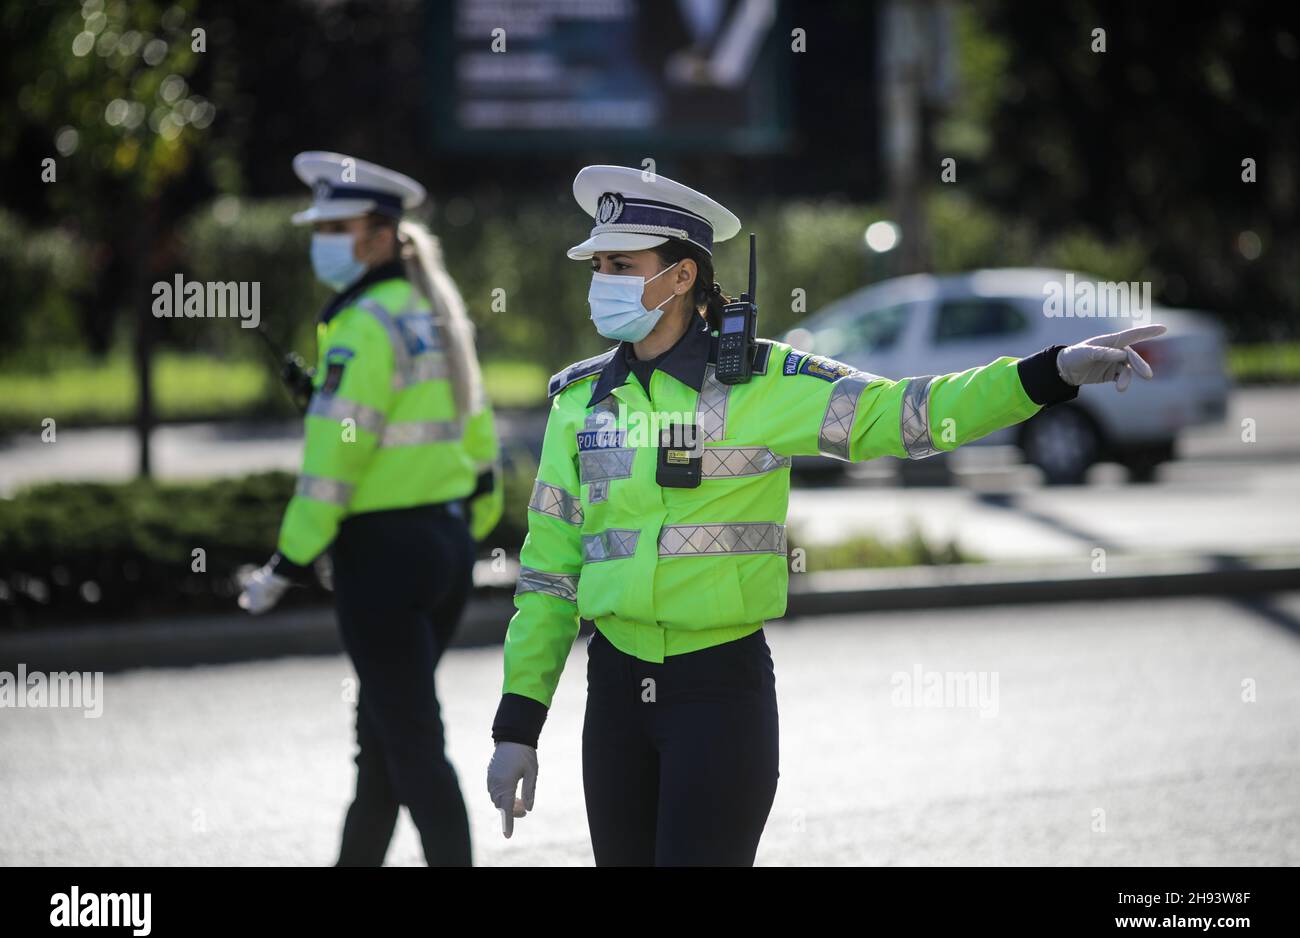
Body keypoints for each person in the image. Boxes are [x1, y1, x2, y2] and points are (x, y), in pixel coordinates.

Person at [485, 164, 1164, 866]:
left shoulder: (768, 382)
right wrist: (518, 725)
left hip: (716, 694)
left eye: (622, 264)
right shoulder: (579, 402)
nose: (604, 280)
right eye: (599, 265)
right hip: (616, 691)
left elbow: (907, 416)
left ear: (682, 276)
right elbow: (548, 576)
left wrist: (1047, 374)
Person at [237, 151, 503, 866]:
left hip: (381, 560)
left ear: (382, 234)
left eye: (337, 225)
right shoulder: (433, 307)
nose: (322, 238)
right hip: (445, 547)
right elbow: (474, 432)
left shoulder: (361, 323)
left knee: (411, 746)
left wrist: (286, 561)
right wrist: (464, 529)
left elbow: (334, 462)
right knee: (383, 745)